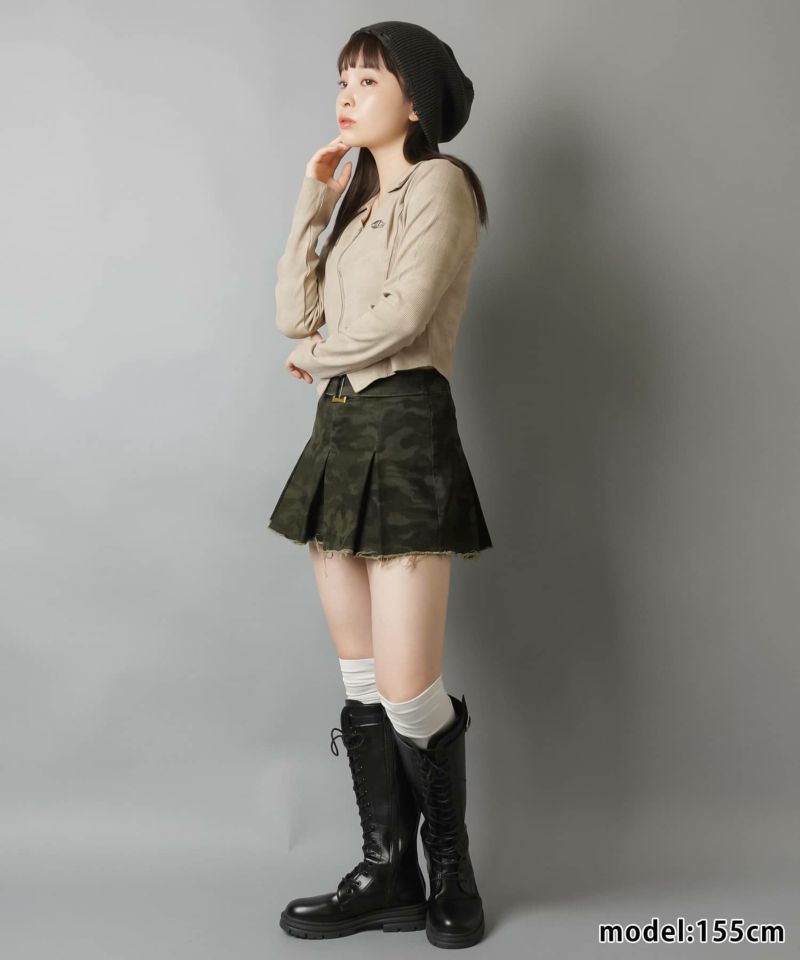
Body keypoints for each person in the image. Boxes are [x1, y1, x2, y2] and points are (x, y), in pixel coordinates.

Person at [268, 21, 491, 949]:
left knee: (406, 689)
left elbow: (403, 317)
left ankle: (453, 873)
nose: (347, 93)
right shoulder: (356, 206)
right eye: (343, 78)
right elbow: (293, 312)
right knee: (360, 679)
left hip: (403, 427)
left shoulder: (442, 185)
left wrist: (317, 356)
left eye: (368, 78)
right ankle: (387, 872)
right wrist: (312, 201)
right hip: (339, 432)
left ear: (416, 99)